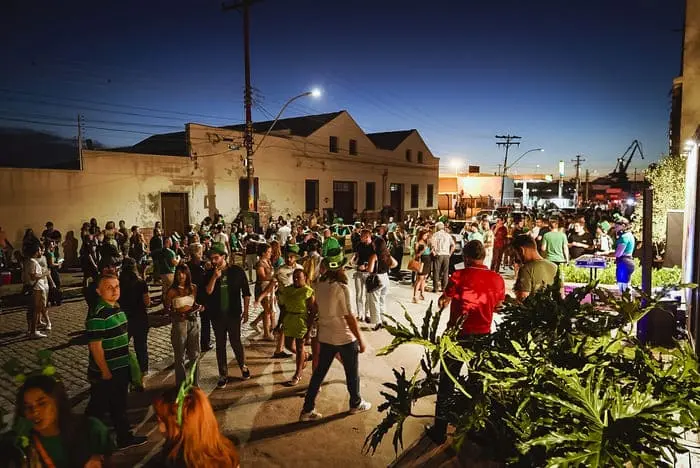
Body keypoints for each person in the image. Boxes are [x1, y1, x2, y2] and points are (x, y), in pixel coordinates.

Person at [427, 240, 505, 444]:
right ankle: (472, 428)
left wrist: (442, 303)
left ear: (466, 257)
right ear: (484, 256)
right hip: (483, 337)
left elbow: (444, 300)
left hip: (457, 337)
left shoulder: (458, 276)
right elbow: (499, 307)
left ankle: (439, 431)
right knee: (477, 383)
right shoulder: (497, 279)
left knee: (447, 382)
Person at [299, 248, 371, 421]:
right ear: (340, 267)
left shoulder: (319, 285)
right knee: (352, 373)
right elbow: (350, 317)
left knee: (318, 374)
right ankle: (355, 403)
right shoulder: (342, 288)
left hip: (326, 336)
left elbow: (316, 308)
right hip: (345, 337)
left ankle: (307, 409)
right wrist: (361, 340)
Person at [85, 274, 147, 449]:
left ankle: (123, 437)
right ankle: (87, 439)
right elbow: (95, 347)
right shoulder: (97, 315)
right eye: (109, 287)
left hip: (120, 367)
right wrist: (105, 371)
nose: (114, 290)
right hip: (107, 370)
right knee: (98, 407)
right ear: (98, 291)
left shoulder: (117, 308)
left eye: (117, 286)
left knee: (118, 404)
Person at [11, 375, 113, 467]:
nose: (35, 412)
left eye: (42, 403)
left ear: (57, 402)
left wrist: (98, 457)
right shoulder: (21, 445)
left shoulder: (91, 429)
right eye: (28, 407)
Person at [153, 387, 240, 467]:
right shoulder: (226, 452)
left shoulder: (176, 461)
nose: (159, 427)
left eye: (161, 420)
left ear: (180, 425)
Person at [204, 243, 251, 388]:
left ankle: (242, 366)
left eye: (216, 258)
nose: (213, 261)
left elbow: (246, 292)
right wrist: (214, 277)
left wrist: (246, 310)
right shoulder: (209, 273)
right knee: (220, 344)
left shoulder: (237, 271)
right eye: (211, 258)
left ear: (223, 257)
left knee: (236, 341)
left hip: (233, 314)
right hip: (217, 315)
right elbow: (208, 291)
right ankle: (223, 374)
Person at [165, 264, 201, 387]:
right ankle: (181, 384)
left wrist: (198, 307)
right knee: (179, 356)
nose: (181, 276)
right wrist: (175, 315)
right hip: (179, 324)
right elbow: (167, 309)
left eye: (184, 273)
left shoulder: (193, 288)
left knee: (195, 354)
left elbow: (194, 303)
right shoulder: (172, 291)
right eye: (179, 273)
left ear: (188, 274)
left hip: (193, 321)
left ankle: (195, 384)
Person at [278, 269, 315, 386]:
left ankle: (298, 374)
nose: (295, 279)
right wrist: (279, 323)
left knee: (299, 348)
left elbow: (312, 311)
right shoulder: (288, 290)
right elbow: (283, 308)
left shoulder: (308, 291)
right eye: (294, 277)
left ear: (305, 277)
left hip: (301, 320)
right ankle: (306, 355)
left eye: (298, 277)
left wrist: (309, 329)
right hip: (289, 319)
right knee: (288, 345)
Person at [118, 258, 151, 380]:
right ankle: (143, 374)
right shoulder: (141, 283)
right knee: (141, 347)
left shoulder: (118, 283)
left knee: (122, 348)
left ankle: (124, 373)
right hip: (140, 318)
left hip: (123, 319)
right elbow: (147, 302)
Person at [511, 234, 558, 301]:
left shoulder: (526, 269)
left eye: (516, 254)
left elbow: (523, 298)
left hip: (533, 310)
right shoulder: (555, 267)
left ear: (521, 250)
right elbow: (560, 294)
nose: (517, 258)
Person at [429, 222, 454, 293]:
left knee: (436, 271)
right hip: (446, 255)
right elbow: (453, 245)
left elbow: (432, 245)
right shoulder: (448, 235)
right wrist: (450, 253)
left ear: (437, 228)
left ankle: (435, 288)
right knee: (445, 272)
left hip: (438, 254)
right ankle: (444, 288)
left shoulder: (435, 235)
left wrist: (434, 252)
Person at [613, 218, 636, 293]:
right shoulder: (629, 235)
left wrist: (605, 254)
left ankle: (627, 303)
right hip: (626, 262)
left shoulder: (624, 237)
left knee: (624, 289)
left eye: (617, 227)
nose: (615, 229)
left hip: (624, 263)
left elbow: (618, 253)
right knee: (625, 287)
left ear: (623, 226)